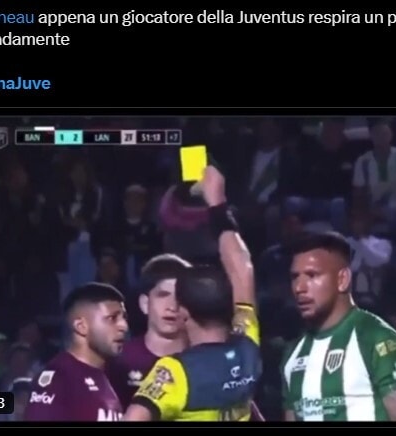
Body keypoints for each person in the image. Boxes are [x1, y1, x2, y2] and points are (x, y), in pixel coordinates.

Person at [124, 166, 262, 421]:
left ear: (184, 312)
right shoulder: (248, 347)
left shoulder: (174, 371)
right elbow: (243, 269)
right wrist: (218, 205)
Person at [281, 231, 396, 421]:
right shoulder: (293, 353)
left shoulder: (376, 339)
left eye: (312, 275)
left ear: (343, 279)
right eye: (295, 277)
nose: (299, 287)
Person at [24, 282, 128, 421]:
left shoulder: (112, 376)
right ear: (81, 326)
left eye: (124, 318)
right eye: (112, 318)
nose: (123, 326)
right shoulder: (59, 379)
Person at [106, 253, 191, 409]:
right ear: (145, 304)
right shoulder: (118, 361)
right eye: (163, 295)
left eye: (180, 297)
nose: (172, 307)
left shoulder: (203, 360)